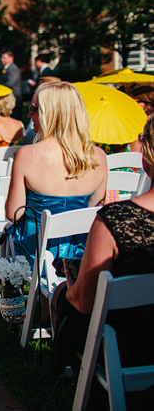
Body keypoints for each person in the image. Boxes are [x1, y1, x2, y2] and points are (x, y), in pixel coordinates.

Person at [50, 119, 154, 398]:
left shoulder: (116, 219)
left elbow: (84, 303)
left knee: (62, 295)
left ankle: (79, 386)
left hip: (127, 347)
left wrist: (71, 286)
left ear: (146, 160)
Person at [5, 82, 107, 277]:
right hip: (81, 254)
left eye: (33, 109)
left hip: (38, 253)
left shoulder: (26, 155)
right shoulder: (99, 156)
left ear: (49, 113)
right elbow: (95, 209)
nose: (29, 116)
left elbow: (13, 214)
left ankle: (42, 304)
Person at [0, 50, 23, 119]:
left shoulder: (13, 69)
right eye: (1, 57)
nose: (2, 59)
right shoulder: (6, 69)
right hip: (9, 101)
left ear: (11, 58)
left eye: (4, 58)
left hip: (14, 101)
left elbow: (10, 84)